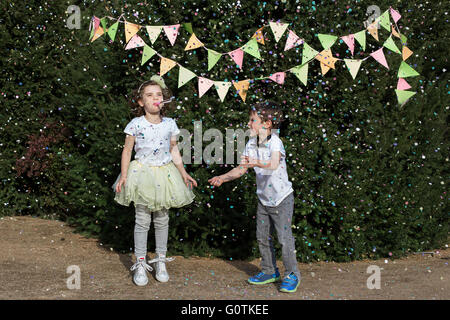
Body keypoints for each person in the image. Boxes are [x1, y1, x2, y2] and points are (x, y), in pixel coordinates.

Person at [208, 101, 301, 293]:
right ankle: (269, 271)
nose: (249, 124)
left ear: (267, 123)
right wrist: (222, 178)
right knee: (262, 237)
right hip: (264, 200)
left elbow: (273, 164)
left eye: (253, 120)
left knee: (284, 239)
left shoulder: (275, 141)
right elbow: (241, 169)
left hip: (282, 199)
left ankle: (292, 274)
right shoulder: (251, 143)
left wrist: (255, 162)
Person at [113, 75, 197, 286]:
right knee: (142, 220)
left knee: (162, 219)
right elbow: (127, 151)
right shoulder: (135, 124)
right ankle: (141, 262)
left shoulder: (170, 124)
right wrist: (124, 176)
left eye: (159, 94)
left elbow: (173, 149)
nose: (155, 98)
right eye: (149, 95)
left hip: (165, 174)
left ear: (164, 99)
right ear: (141, 102)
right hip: (141, 175)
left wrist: (183, 172)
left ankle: (160, 260)